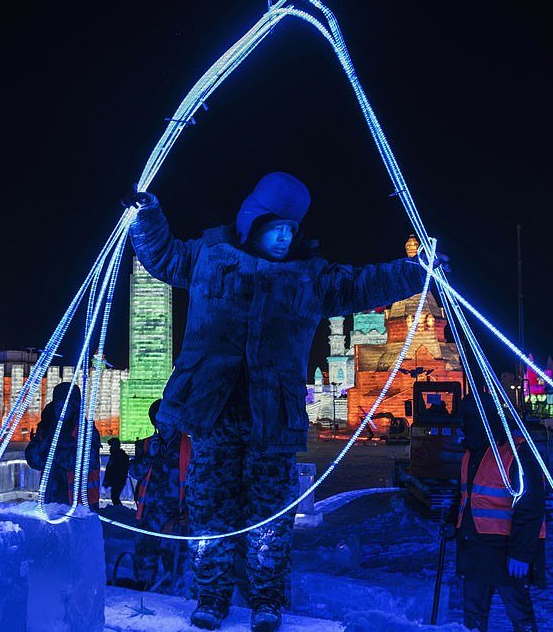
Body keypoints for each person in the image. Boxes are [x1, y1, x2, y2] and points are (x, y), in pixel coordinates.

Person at [125, 172, 443, 631]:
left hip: (272, 419)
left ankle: (266, 601)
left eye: (291, 229)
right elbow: (162, 255)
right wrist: (148, 216)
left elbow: (364, 284)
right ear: (253, 221)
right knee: (211, 509)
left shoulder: (311, 278)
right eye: (276, 226)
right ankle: (211, 597)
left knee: (270, 516)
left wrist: (418, 271)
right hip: (213, 412)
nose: (284, 236)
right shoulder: (210, 257)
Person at [449, 391, 546, 632]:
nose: (464, 427)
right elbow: (468, 495)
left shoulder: (516, 452)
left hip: (506, 551)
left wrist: (522, 554)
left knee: (519, 614)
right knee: (474, 615)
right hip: (475, 547)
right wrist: (452, 519)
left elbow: (531, 507)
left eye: (470, 420)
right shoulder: (472, 451)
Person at [128, 399, 191, 592]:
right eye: (157, 423)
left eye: (165, 422)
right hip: (148, 517)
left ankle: (172, 603)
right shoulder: (148, 444)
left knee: (174, 569)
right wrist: (150, 456)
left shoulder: (188, 447)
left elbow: (197, 484)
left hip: (174, 518)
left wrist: (188, 513)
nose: (161, 427)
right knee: (144, 562)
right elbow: (134, 472)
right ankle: (144, 596)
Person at [25, 382, 101, 509]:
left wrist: (53, 451)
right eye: (58, 405)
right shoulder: (47, 428)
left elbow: (83, 462)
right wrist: (52, 446)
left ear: (74, 407)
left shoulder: (85, 431)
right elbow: (33, 459)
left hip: (80, 506)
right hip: (51, 502)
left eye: (66, 405)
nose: (61, 410)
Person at [103, 437, 130, 507]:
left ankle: (119, 511)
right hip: (119, 480)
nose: (110, 448)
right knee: (115, 496)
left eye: (111, 446)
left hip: (117, 480)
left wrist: (108, 480)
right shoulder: (119, 455)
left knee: (114, 496)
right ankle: (119, 509)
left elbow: (112, 469)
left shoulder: (117, 455)